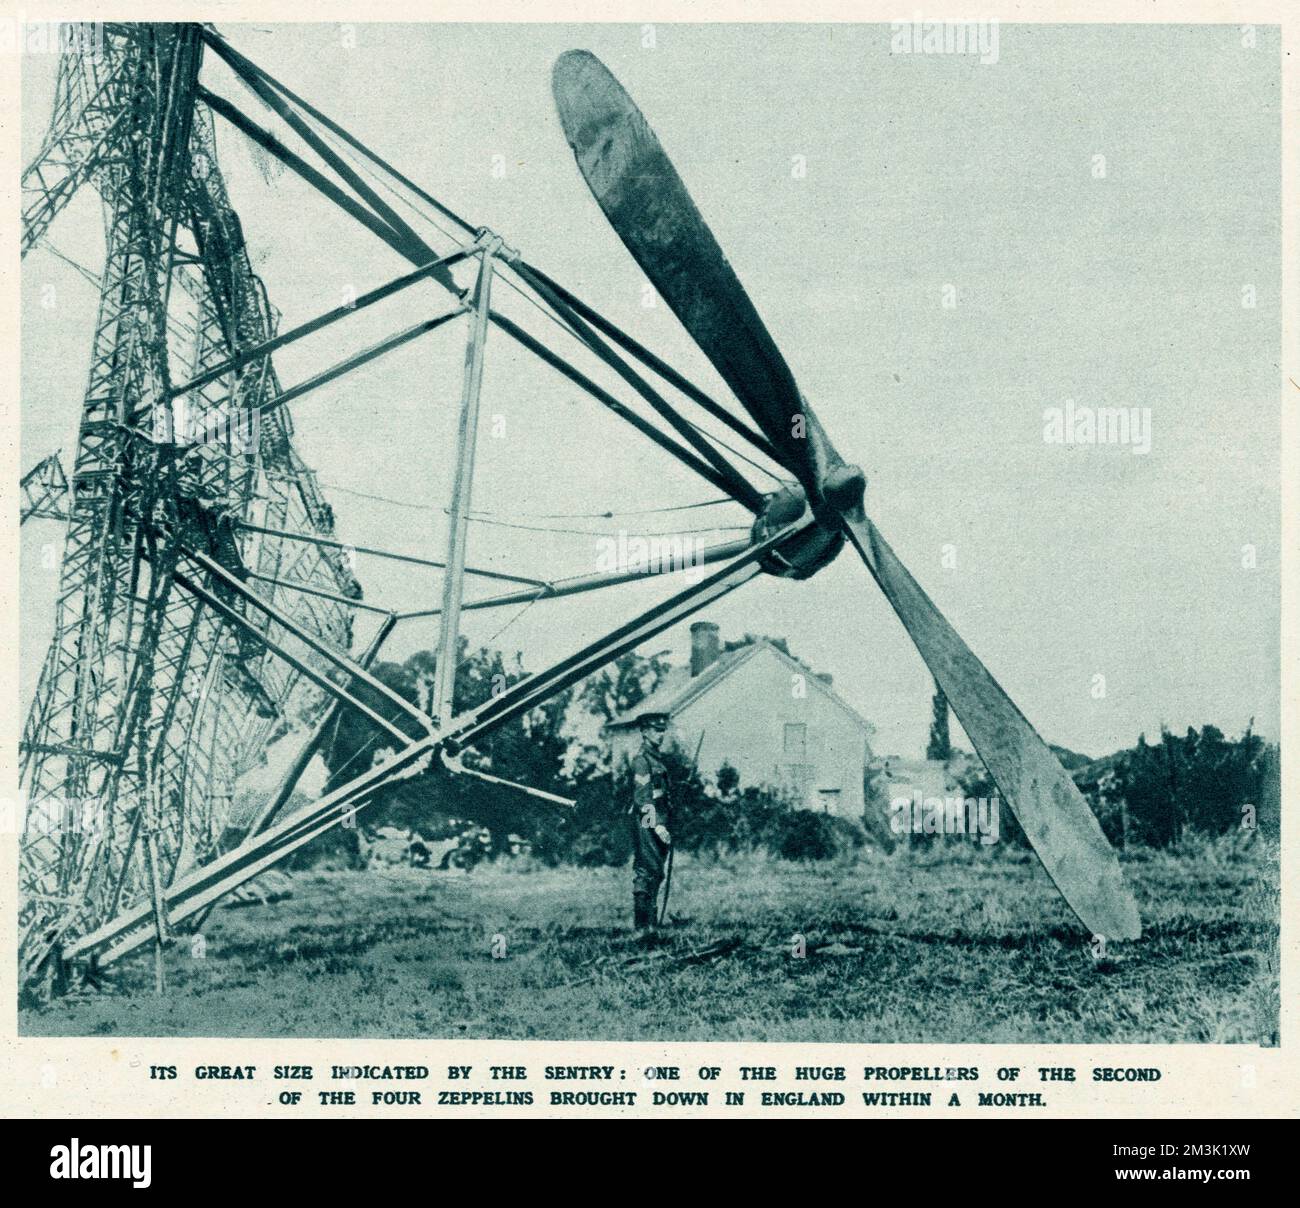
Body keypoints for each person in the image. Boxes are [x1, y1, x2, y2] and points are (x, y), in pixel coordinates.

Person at [629, 711, 673, 939]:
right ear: (644, 732)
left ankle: (651, 926)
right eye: (656, 730)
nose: (661, 734)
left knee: (656, 872)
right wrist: (656, 826)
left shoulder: (656, 759)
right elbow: (642, 799)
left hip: (659, 819)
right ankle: (642, 927)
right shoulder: (642, 761)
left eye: (662, 729)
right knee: (647, 870)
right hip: (647, 820)